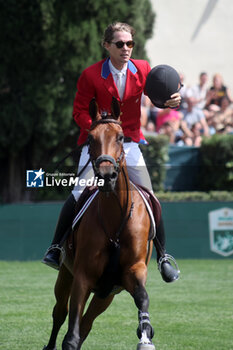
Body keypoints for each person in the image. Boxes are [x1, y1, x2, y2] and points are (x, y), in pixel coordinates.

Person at [42, 22, 181, 283]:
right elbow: (79, 112)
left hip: (129, 143)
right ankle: (56, 247)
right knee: (78, 192)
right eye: (120, 44)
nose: (126, 49)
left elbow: (159, 97)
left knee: (151, 197)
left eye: (130, 44)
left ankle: (163, 256)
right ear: (107, 46)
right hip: (98, 144)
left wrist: (172, 101)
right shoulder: (90, 75)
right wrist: (98, 130)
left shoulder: (143, 69)